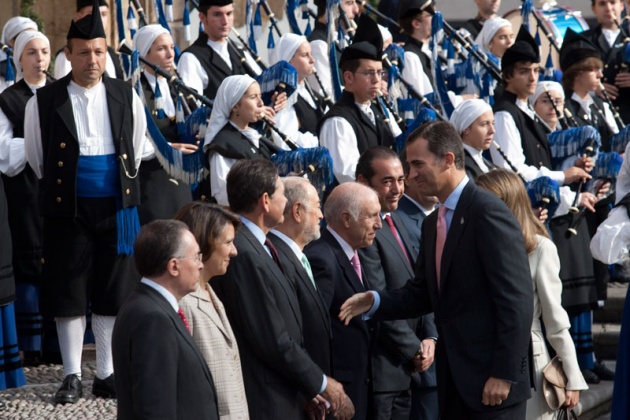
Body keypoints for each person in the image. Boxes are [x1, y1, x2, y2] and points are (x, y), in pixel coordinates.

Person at [338, 121, 534, 419]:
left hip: (493, 385)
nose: (412, 175)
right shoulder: (433, 223)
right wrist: (376, 301)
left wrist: (504, 373)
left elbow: (516, 300)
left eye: (418, 164)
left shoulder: (487, 212)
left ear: (448, 160)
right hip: (454, 383)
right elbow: (424, 293)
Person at [23, 1, 150, 403]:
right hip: (68, 207)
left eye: (99, 51)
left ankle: (107, 373)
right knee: (70, 289)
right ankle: (73, 374)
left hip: (117, 208)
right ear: (68, 55)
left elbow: (137, 145)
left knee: (112, 289)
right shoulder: (43, 101)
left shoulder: (126, 94)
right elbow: (36, 156)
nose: (92, 60)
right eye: (83, 52)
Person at [211, 159, 352, 419]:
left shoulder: (260, 246)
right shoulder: (244, 253)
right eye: (281, 195)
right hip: (267, 398)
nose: (286, 203)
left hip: (287, 392)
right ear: (265, 201)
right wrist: (321, 384)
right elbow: (271, 338)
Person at [475, 169, 588, 420]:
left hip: (530, 366)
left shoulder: (540, 248)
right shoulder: (472, 246)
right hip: (480, 362)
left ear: (507, 203)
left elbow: (555, 321)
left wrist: (572, 377)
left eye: (485, 201)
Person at [355, 147, 438, 420]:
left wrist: (429, 336)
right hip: (384, 370)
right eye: (387, 181)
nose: (397, 189)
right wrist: (413, 348)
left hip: (408, 370)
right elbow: (378, 298)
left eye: (401, 180)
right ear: (363, 182)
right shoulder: (365, 232)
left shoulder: (397, 220)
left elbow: (419, 284)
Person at [112, 219, 219, 419]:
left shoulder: (148, 305)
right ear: (174, 266)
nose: (201, 265)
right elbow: (155, 407)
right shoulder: (153, 319)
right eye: (196, 257)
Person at [267, 177, 352, 418]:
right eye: (317, 206)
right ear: (297, 211)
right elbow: (289, 334)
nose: (321, 215)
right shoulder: (277, 258)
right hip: (297, 396)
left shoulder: (296, 256)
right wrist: (311, 387)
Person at [304, 182, 382, 419]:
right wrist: (324, 388)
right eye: (372, 216)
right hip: (337, 393)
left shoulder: (352, 253)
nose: (379, 224)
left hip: (360, 385)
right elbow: (312, 331)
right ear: (346, 219)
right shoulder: (322, 258)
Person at [0, 30, 50, 364]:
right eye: (32, 52)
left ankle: (59, 343)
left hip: (59, 190)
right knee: (31, 261)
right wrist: (38, 144)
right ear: (19, 58)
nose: (40, 59)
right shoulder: (8, 99)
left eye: (44, 52)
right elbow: (4, 153)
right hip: (26, 191)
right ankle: (31, 345)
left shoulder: (62, 93)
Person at [174, 202, 249, 419]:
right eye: (228, 242)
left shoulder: (210, 294)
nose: (234, 251)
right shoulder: (184, 303)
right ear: (203, 243)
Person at [318, 15, 399, 184]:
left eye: (380, 72)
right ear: (348, 77)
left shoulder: (377, 110)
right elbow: (347, 174)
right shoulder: (338, 121)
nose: (377, 80)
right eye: (369, 73)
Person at [132, 24, 194, 223]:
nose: (170, 54)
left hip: (181, 181)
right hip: (153, 182)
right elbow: (132, 141)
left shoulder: (177, 86)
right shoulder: (133, 91)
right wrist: (167, 148)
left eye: (171, 47)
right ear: (144, 53)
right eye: (161, 49)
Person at [203, 75, 277, 206]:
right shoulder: (222, 144)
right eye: (253, 97)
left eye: (260, 96)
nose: (261, 103)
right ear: (235, 106)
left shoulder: (256, 138)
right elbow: (223, 194)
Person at [179, 0, 261, 99]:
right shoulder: (191, 58)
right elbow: (194, 107)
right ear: (202, 17)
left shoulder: (240, 50)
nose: (225, 22)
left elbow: (262, 85)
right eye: (217, 15)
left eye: (229, 13)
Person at [560, 29, 618, 148]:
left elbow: (615, 142)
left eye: (600, 70)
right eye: (594, 70)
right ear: (576, 74)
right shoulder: (562, 108)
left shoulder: (601, 106)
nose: (600, 75)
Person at [269, 33, 323, 150]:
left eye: (311, 54)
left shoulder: (310, 92)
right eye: (305, 55)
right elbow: (287, 141)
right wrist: (323, 140)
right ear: (289, 61)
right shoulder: (282, 96)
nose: (312, 60)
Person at [581, 0, 630, 124]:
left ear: (621, 5)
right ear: (594, 8)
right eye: (602, 4)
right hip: (600, 117)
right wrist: (593, 88)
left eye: (612, 2)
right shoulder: (583, 41)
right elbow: (571, 79)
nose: (608, 8)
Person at [54, 0, 124, 81]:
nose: (99, 19)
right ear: (79, 16)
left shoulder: (113, 55)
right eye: (93, 14)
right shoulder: (66, 56)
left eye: (104, 14)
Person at [307, 0, 360, 98]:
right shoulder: (318, 45)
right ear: (331, 5)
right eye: (349, 3)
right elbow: (324, 93)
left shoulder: (341, 40)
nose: (356, 10)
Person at [449, 99, 497, 179]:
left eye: (493, 123)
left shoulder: (484, 162)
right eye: (484, 124)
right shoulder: (462, 167)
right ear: (466, 129)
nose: (492, 131)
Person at [0, 16, 37, 93]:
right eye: (24, 38)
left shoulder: (39, 63)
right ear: (12, 42)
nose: (31, 42)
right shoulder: (3, 68)